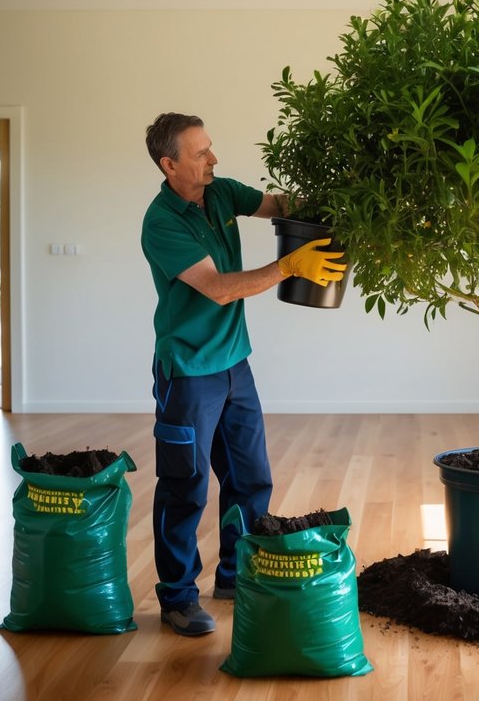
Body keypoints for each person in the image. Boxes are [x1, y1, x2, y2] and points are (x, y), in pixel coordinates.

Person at [140, 112, 345, 636]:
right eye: (200, 152)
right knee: (184, 486)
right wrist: (290, 267)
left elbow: (284, 206)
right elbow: (219, 288)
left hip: (235, 364)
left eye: (211, 148)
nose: (213, 158)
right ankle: (177, 598)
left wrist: (353, 195)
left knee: (251, 478)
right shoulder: (161, 222)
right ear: (169, 164)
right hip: (187, 373)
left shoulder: (222, 193)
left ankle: (236, 575)